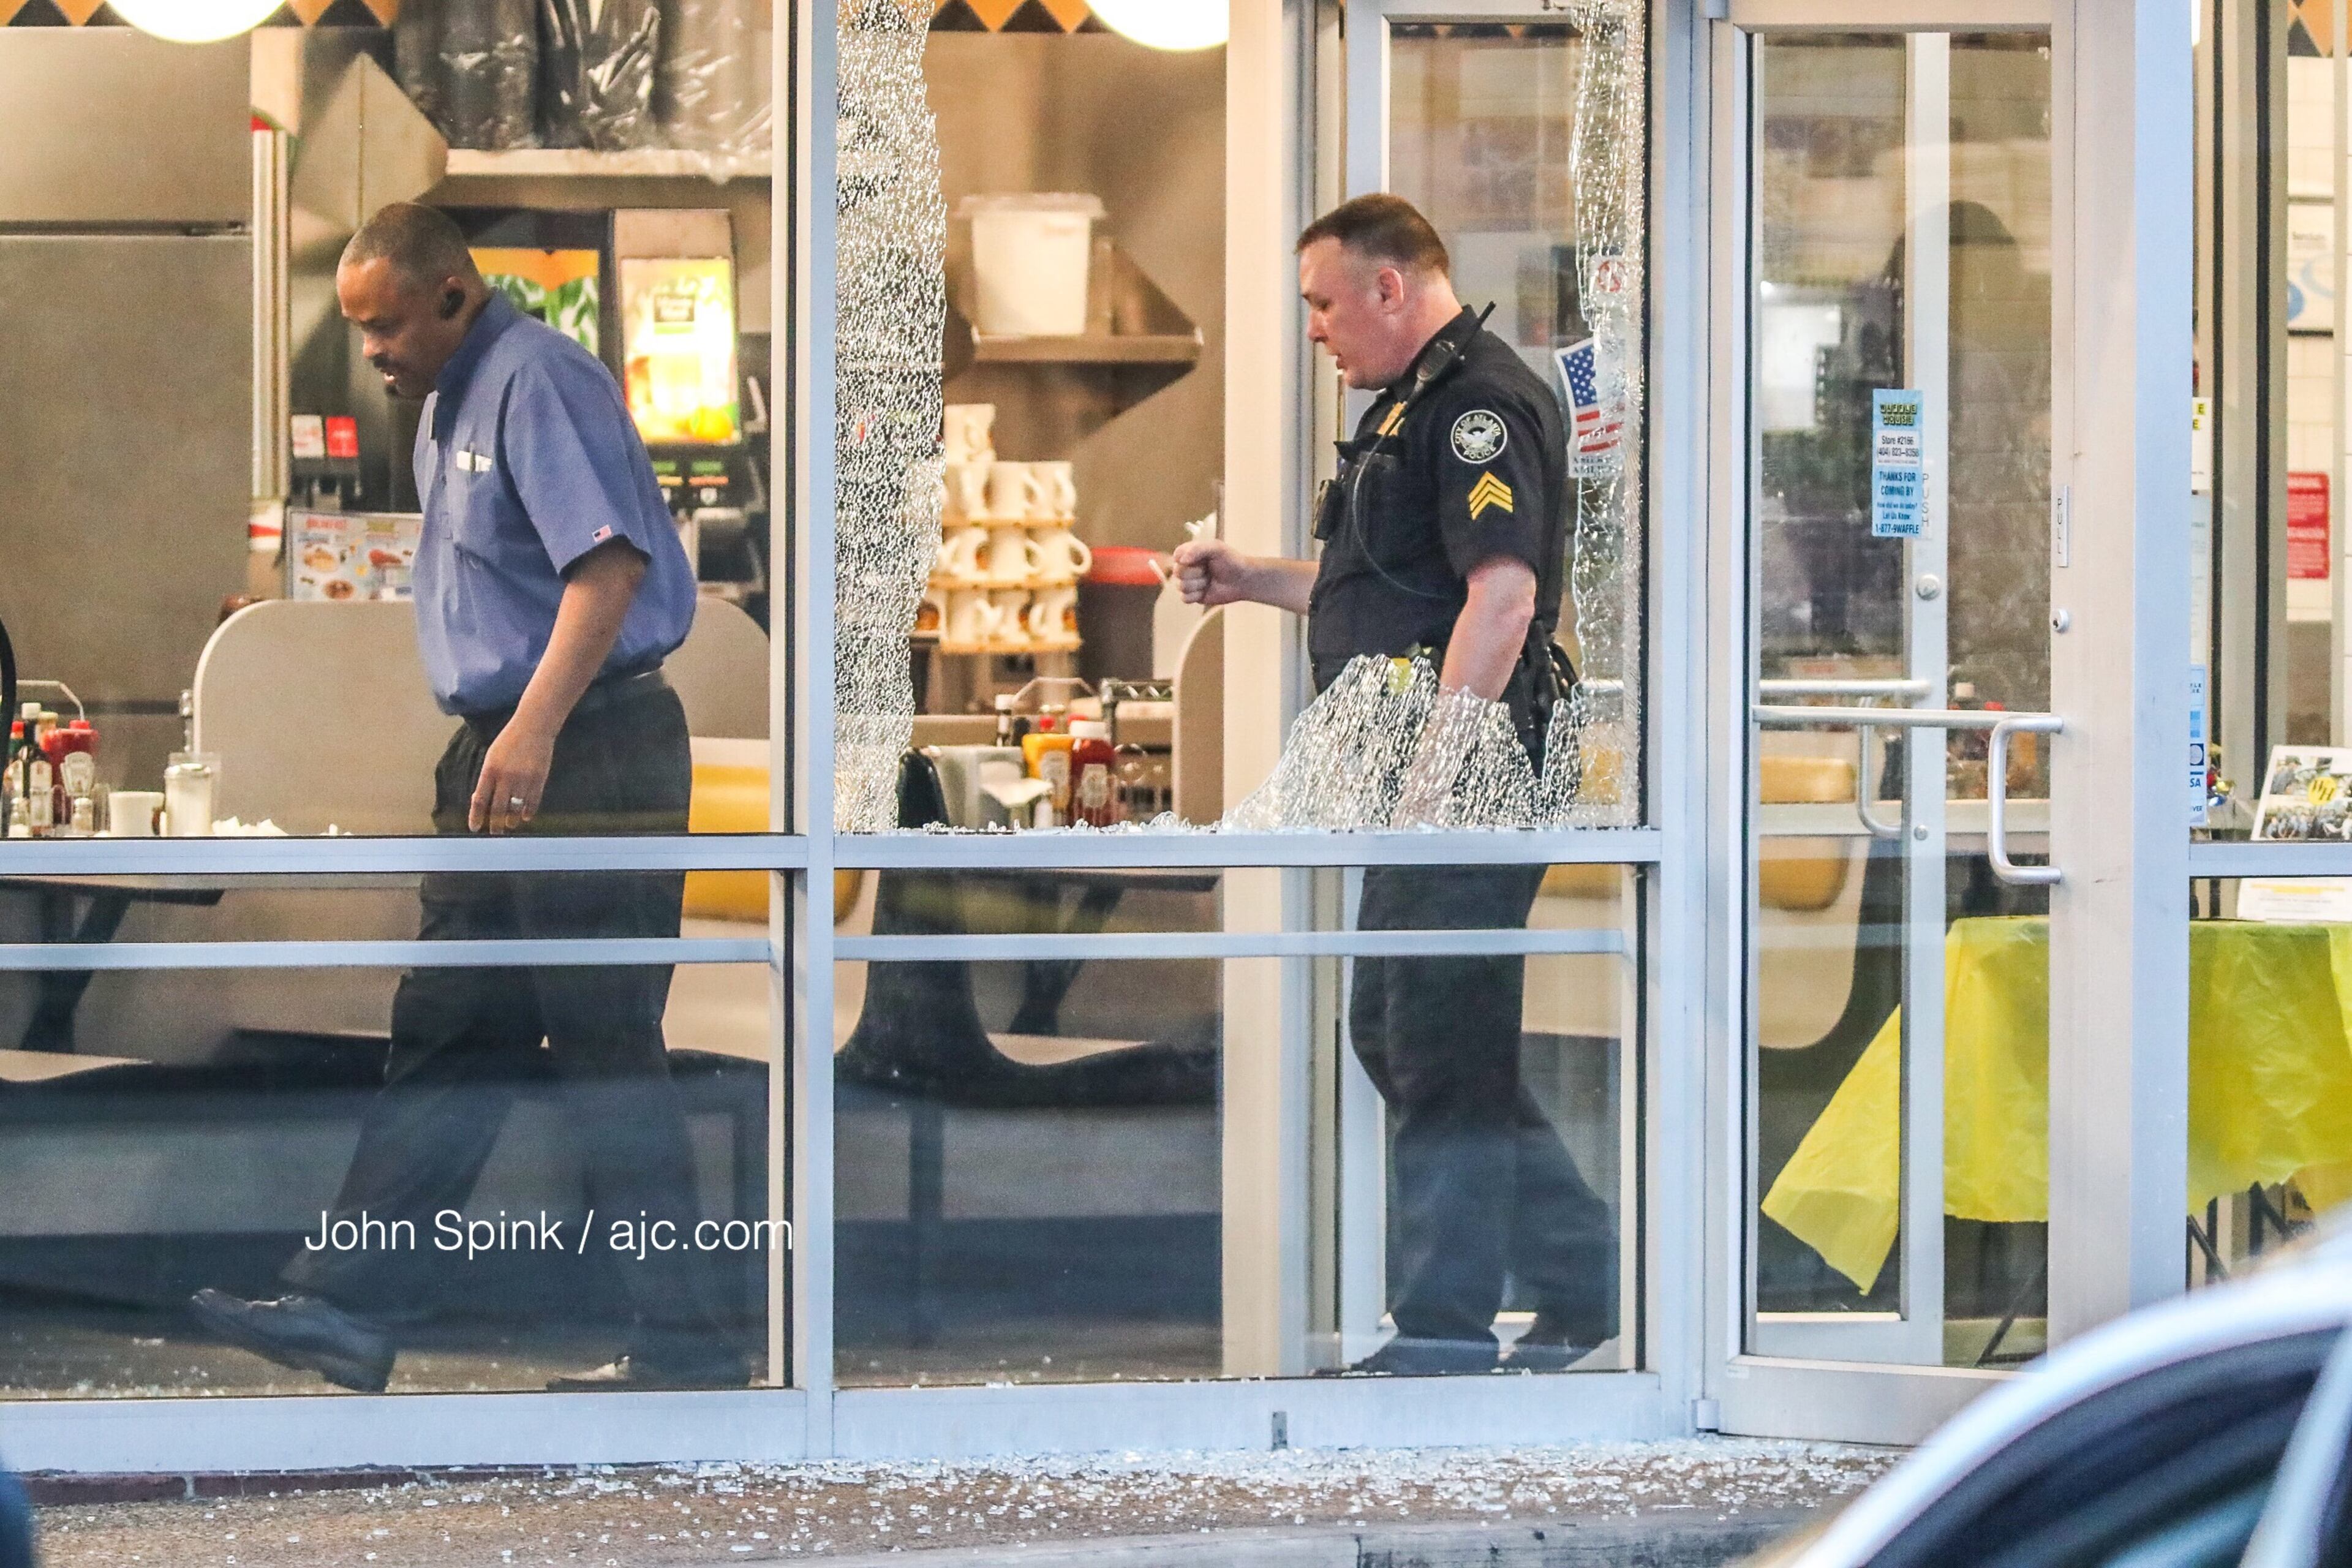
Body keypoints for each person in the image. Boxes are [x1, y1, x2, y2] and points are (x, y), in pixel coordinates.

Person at [191, 203, 742, 1393]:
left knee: (605, 1045)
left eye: (386, 325)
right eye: (361, 330)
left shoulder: (540, 379)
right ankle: (350, 1307)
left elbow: (610, 570)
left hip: (585, 746)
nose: (374, 351)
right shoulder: (446, 394)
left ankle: (691, 1342)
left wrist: (533, 729)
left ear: (451, 294)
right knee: (447, 1028)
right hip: (506, 748)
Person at [1174, 194, 1616, 1375]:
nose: (1314, 328)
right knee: (1401, 1030)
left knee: (1434, 1043)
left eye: (1324, 301)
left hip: (1463, 768)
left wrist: (1439, 770)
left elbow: (1502, 598)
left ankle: (1443, 1330)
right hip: (1420, 765)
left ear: (1390, 289)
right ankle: (1583, 1274)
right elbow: (1389, 591)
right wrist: (1253, 578)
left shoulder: (1475, 407)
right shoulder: (1412, 407)